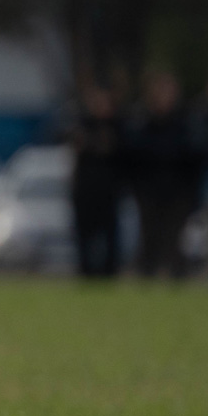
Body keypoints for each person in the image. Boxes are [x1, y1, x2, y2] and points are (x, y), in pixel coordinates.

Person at [126, 71, 199, 279]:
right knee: (150, 237)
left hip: (177, 192)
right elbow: (133, 157)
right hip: (149, 192)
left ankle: (176, 278)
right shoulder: (141, 122)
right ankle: (146, 276)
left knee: (174, 239)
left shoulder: (185, 122)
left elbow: (193, 157)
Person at [69, 84, 123, 278]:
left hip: (109, 192)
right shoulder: (82, 123)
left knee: (110, 236)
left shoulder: (119, 126)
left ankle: (110, 273)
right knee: (84, 237)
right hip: (85, 192)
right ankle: (85, 274)